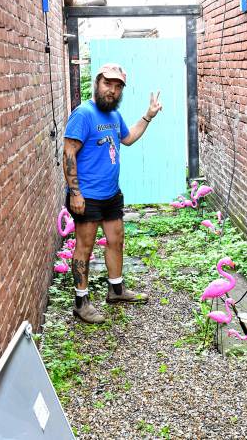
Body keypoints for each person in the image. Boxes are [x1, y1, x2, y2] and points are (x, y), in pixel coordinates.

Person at [62, 63, 163, 323]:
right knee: (84, 247)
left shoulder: (113, 116)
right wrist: (75, 193)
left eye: (118, 86)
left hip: (110, 194)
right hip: (87, 195)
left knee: (116, 240)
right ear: (97, 83)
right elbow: (69, 153)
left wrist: (148, 115)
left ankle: (116, 290)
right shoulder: (83, 114)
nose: (112, 90)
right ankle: (81, 302)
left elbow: (128, 139)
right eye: (108, 84)